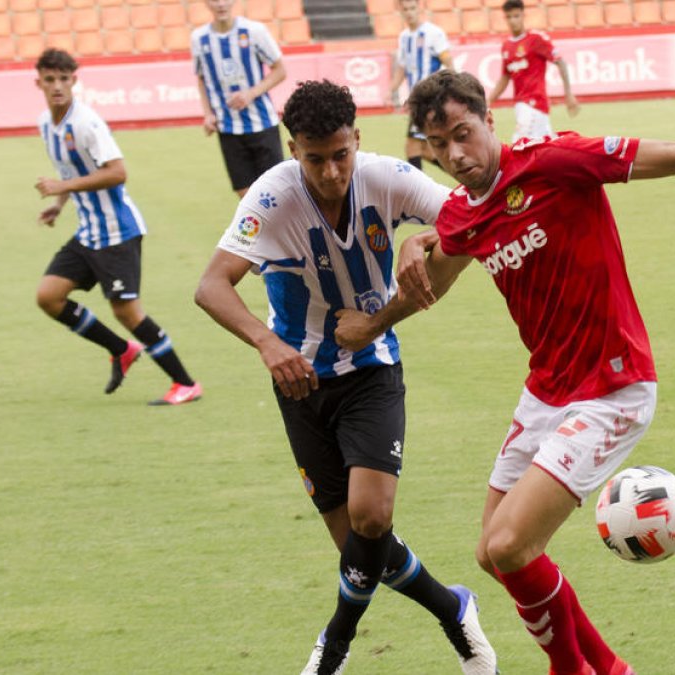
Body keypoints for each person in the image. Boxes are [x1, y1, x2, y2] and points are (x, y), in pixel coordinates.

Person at [332, 70, 675, 675]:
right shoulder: (460, 214)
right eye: (438, 143)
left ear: (489, 121)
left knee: (511, 545)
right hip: (546, 391)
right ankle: (609, 668)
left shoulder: (555, 161)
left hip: (613, 387)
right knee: (491, 553)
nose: (454, 154)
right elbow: (436, 281)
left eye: (463, 133)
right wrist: (374, 322)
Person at [193, 80, 498, 675]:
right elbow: (210, 285)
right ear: (293, 151)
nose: (332, 172)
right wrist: (267, 343)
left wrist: (425, 237)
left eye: (341, 154)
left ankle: (332, 647)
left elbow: (473, 214)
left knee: (372, 519)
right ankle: (453, 607)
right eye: (315, 159)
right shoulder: (272, 197)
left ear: (357, 138)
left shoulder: (386, 177)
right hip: (300, 383)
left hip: (371, 369)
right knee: (361, 551)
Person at [33, 48, 201, 406]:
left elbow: (117, 172)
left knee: (126, 312)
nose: (57, 86)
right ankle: (122, 350)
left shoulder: (86, 123)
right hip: (89, 231)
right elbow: (70, 171)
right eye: (50, 80)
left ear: (74, 81)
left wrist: (62, 187)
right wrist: (58, 204)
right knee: (48, 296)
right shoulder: (46, 124)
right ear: (39, 84)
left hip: (117, 232)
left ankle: (185, 383)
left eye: (64, 79)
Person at [192, 0, 288, 197]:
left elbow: (280, 71)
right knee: (245, 193)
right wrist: (208, 114)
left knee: (276, 191)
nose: (221, 4)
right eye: (214, 0)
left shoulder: (254, 31)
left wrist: (250, 94)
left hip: (262, 125)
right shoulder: (199, 38)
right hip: (228, 128)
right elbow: (202, 78)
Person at [487, 0, 579, 143]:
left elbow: (560, 62)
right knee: (547, 147)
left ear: (523, 15)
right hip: (521, 105)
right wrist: (488, 101)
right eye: (509, 17)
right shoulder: (506, 46)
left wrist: (568, 94)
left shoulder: (536, 39)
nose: (512, 21)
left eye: (516, 16)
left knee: (519, 145)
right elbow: (505, 77)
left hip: (534, 104)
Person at [386, 0, 454, 171]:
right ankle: (465, 176)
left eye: (412, 8)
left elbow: (448, 62)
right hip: (417, 100)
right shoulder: (404, 37)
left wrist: (454, 89)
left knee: (412, 147)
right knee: (423, 150)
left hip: (430, 99)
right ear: (401, 11)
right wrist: (391, 90)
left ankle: (416, 187)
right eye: (405, 9)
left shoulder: (433, 33)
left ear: (419, 8)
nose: (409, 12)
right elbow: (402, 67)